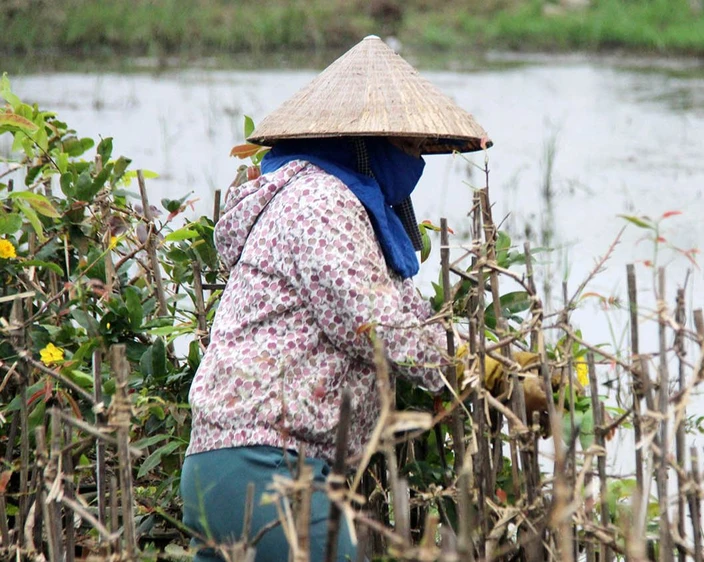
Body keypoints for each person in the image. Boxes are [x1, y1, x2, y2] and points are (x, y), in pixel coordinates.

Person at [180, 35, 491, 562]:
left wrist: (483, 357)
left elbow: (404, 310)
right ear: (366, 144)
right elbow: (375, 325)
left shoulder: (347, 207)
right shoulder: (320, 202)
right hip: (265, 460)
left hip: (242, 461)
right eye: (408, 147)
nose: (416, 163)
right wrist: (466, 363)